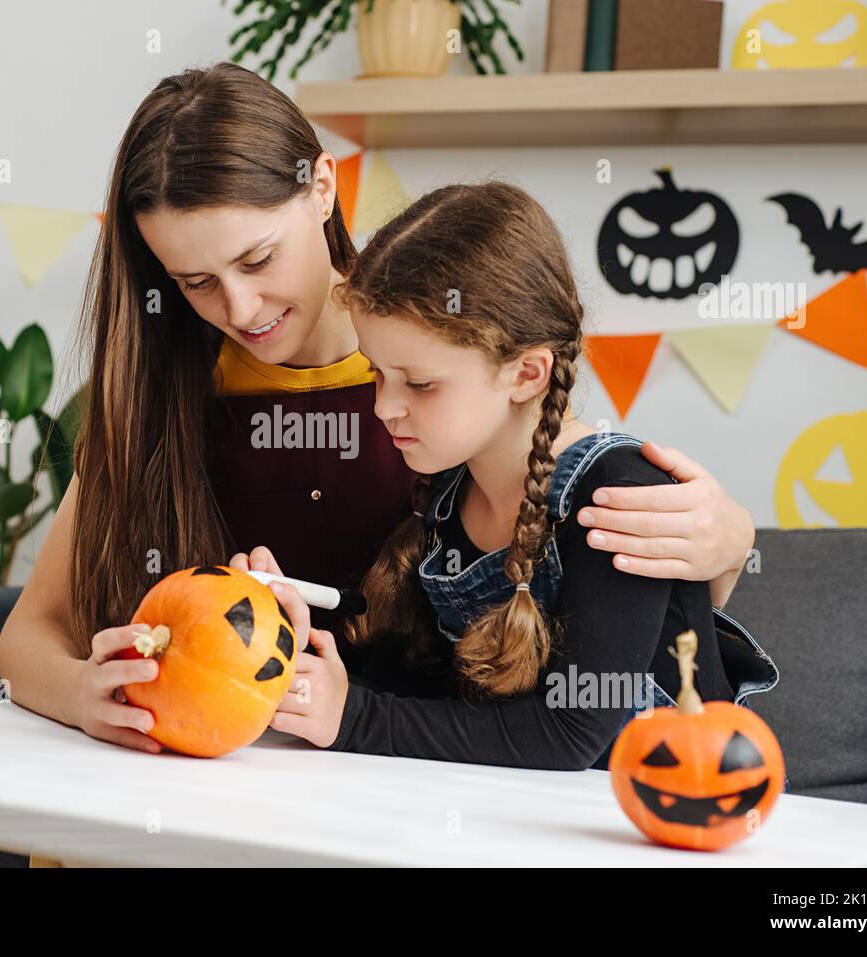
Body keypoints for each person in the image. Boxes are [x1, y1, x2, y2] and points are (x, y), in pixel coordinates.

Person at [0, 63, 759, 756]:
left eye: (258, 258)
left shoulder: (449, 350)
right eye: (195, 281)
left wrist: (728, 547)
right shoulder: (164, 394)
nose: (239, 307)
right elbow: (31, 633)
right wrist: (85, 696)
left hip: (415, 776)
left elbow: (599, 605)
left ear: (321, 187)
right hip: (260, 768)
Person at [256, 181, 777, 769]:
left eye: (419, 383)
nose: (383, 407)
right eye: (377, 373)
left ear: (527, 374)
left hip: (667, 826)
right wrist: (286, 640)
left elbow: (569, 734)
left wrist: (353, 719)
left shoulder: (617, 493)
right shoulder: (448, 496)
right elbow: (434, 703)